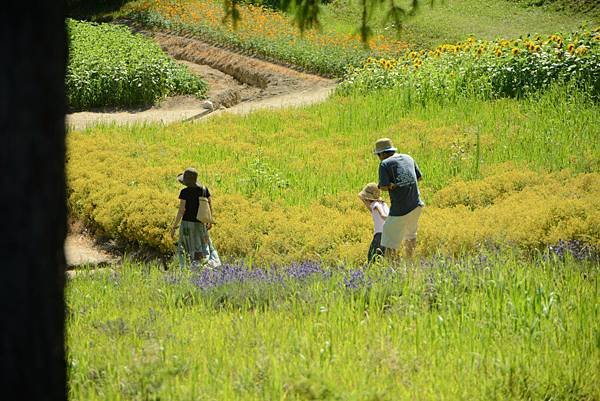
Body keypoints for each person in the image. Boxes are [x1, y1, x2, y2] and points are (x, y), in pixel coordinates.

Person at [374, 138, 424, 259]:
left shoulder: (384, 164)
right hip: (416, 204)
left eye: (378, 155)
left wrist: (388, 186)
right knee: (410, 235)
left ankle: (391, 269)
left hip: (400, 209)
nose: (378, 158)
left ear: (382, 154)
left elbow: (384, 186)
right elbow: (419, 178)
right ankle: (409, 263)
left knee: (389, 240)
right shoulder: (408, 158)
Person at [171, 167, 221, 269]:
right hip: (200, 223)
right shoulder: (204, 190)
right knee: (203, 245)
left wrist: (174, 226)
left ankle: (188, 267)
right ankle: (206, 265)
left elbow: (181, 211)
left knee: (186, 247)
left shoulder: (184, 192)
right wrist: (210, 220)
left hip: (187, 225)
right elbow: (209, 205)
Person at [358, 183, 389, 264]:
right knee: (383, 258)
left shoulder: (375, 205)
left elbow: (383, 215)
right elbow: (364, 200)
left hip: (379, 235)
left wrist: (387, 218)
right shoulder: (384, 204)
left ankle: (369, 274)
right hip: (389, 235)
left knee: (371, 259)